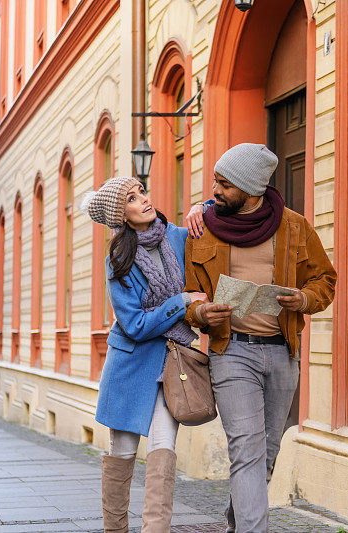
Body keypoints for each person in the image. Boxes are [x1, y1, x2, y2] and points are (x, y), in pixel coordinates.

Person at [183, 143, 337, 533]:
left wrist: (303, 298)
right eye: (214, 182)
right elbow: (186, 295)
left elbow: (326, 280)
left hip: (283, 353)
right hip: (231, 351)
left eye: (224, 184)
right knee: (246, 447)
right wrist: (202, 312)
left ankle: (240, 520)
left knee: (266, 451)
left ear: (251, 188)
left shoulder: (295, 226)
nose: (215, 190)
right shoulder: (202, 229)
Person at [81, 176, 206, 533]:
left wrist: (201, 207)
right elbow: (133, 324)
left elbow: (215, 211)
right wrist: (180, 303)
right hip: (130, 365)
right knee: (121, 455)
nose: (143, 200)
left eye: (142, 193)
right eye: (132, 199)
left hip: (173, 363)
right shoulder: (118, 259)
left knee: (163, 454)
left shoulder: (178, 237)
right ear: (121, 215)